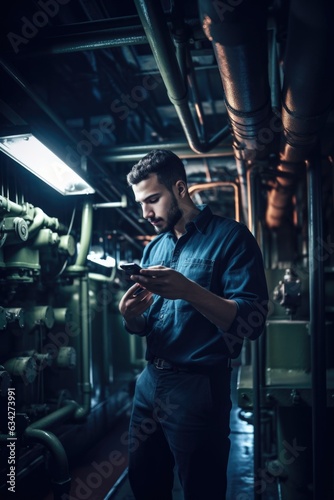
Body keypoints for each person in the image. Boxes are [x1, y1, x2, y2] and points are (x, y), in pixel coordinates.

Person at [118, 149, 269, 500]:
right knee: (145, 484)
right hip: (149, 382)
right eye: (141, 203)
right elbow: (147, 324)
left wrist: (188, 290)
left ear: (181, 189)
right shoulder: (153, 249)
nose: (146, 213)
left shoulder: (232, 238)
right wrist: (131, 317)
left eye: (153, 199)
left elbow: (252, 322)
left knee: (202, 489)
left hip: (199, 386)